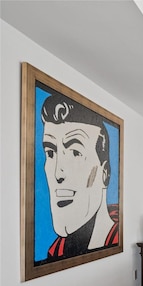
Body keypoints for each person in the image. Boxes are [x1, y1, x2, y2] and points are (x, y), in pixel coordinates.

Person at [40, 93, 118, 261]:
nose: (57, 173)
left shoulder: (116, 235)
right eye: (50, 152)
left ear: (105, 173)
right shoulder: (55, 252)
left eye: (75, 152)